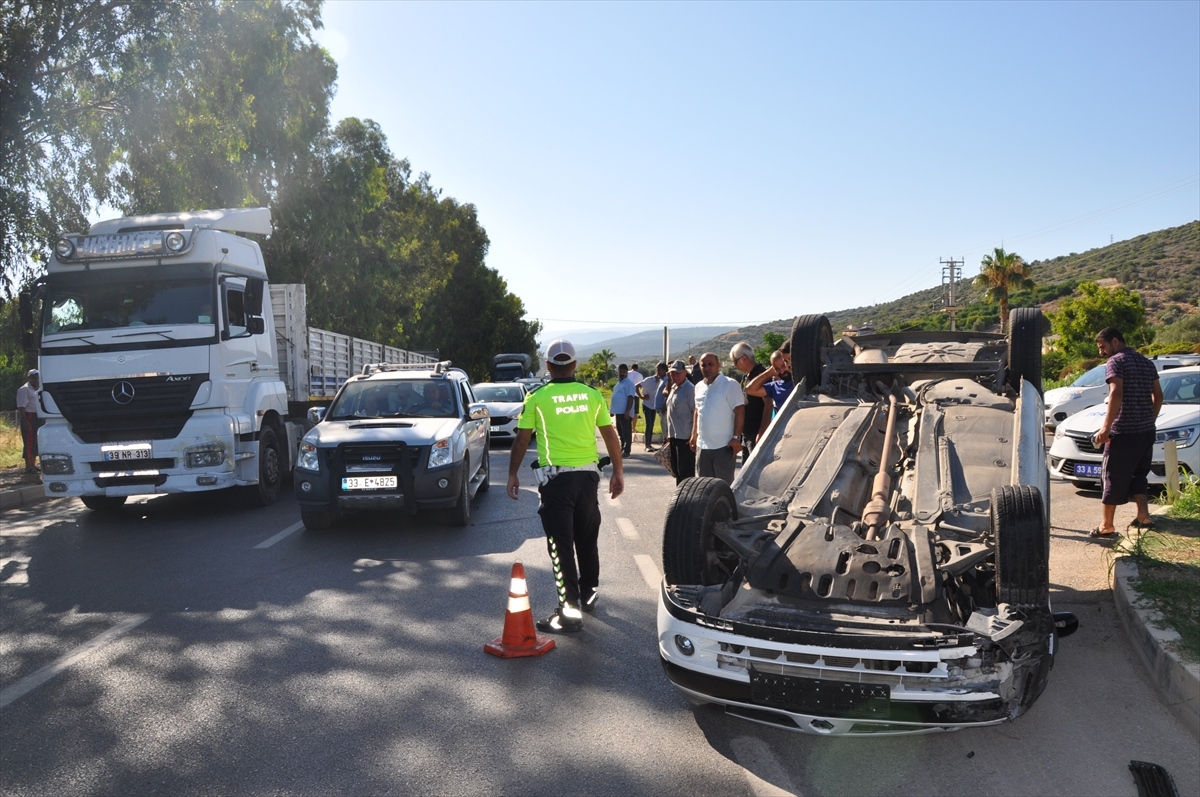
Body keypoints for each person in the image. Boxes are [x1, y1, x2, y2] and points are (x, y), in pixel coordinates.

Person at [507, 339, 624, 633]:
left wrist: (512, 474)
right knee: (587, 539)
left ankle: (569, 613)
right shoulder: (592, 395)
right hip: (588, 479)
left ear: (548, 366)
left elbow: (522, 439)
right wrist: (618, 471)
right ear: (574, 365)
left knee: (561, 547)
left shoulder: (537, 397)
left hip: (557, 482)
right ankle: (588, 594)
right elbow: (610, 435)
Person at [1091, 327, 1163, 539]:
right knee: (1139, 474)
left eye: (1103, 347)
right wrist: (1150, 418)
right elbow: (1158, 396)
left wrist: (1106, 428)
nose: (1101, 352)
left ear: (1115, 341)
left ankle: (1107, 526)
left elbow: (1116, 393)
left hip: (1123, 432)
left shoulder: (1116, 361)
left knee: (1112, 475)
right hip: (1146, 431)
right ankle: (1144, 517)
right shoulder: (1146, 362)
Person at [690, 352, 744, 483]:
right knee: (704, 487)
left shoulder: (730, 385)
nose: (707, 368)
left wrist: (736, 438)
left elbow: (740, 412)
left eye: (711, 364)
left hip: (723, 447)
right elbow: (697, 411)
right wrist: (694, 435)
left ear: (718, 365)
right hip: (702, 446)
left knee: (723, 487)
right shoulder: (699, 387)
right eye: (704, 365)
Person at [745, 345, 795, 440]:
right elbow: (750, 389)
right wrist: (770, 372)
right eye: (777, 369)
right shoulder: (775, 386)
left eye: (783, 365)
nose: (782, 371)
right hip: (785, 433)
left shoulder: (800, 380)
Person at [731, 342, 768, 463]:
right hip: (747, 433)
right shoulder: (746, 376)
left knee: (756, 468)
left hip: (756, 433)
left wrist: (761, 432)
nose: (734, 365)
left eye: (735, 361)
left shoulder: (761, 375)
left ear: (744, 358)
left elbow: (769, 404)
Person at [664, 360, 696, 483]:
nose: (675, 376)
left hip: (685, 438)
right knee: (677, 470)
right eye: (672, 373)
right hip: (674, 436)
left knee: (686, 472)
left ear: (684, 373)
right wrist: (669, 435)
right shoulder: (674, 387)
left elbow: (696, 413)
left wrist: (694, 436)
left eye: (677, 373)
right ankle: (681, 496)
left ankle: (687, 498)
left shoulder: (690, 389)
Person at [636, 362, 668, 452]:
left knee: (652, 425)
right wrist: (641, 397)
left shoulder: (663, 381)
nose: (659, 372)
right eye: (658, 370)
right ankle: (647, 445)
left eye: (661, 370)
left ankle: (650, 444)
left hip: (655, 406)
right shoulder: (649, 380)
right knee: (649, 424)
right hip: (647, 405)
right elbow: (637, 386)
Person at [17, 369, 41, 474]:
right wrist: (26, 422)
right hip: (29, 416)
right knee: (29, 441)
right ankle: (28, 466)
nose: (36, 379)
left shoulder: (39, 388)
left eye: (37, 377)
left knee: (36, 441)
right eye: (33, 377)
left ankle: (34, 464)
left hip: (38, 415)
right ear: (29, 378)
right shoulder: (24, 389)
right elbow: (21, 407)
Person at [610, 364, 636, 457]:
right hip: (618, 412)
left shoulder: (629, 383)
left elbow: (630, 398)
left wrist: (627, 411)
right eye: (620, 371)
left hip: (625, 413)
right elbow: (615, 396)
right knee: (620, 432)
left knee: (626, 432)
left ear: (627, 372)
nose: (622, 373)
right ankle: (622, 447)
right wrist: (612, 411)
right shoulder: (619, 383)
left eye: (624, 372)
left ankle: (627, 451)